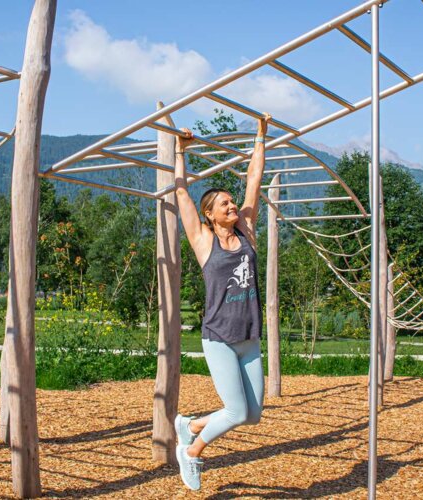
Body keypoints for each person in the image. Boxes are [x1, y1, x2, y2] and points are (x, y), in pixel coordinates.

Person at [172, 113, 271, 491]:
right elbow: (181, 193)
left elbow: (254, 181)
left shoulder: (246, 232)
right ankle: (193, 452)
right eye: (224, 204)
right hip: (219, 337)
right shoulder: (203, 240)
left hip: (249, 337)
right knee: (236, 410)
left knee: (253, 415)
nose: (233, 206)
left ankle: (191, 425)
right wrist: (181, 152)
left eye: (233, 203)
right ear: (210, 215)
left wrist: (261, 137)